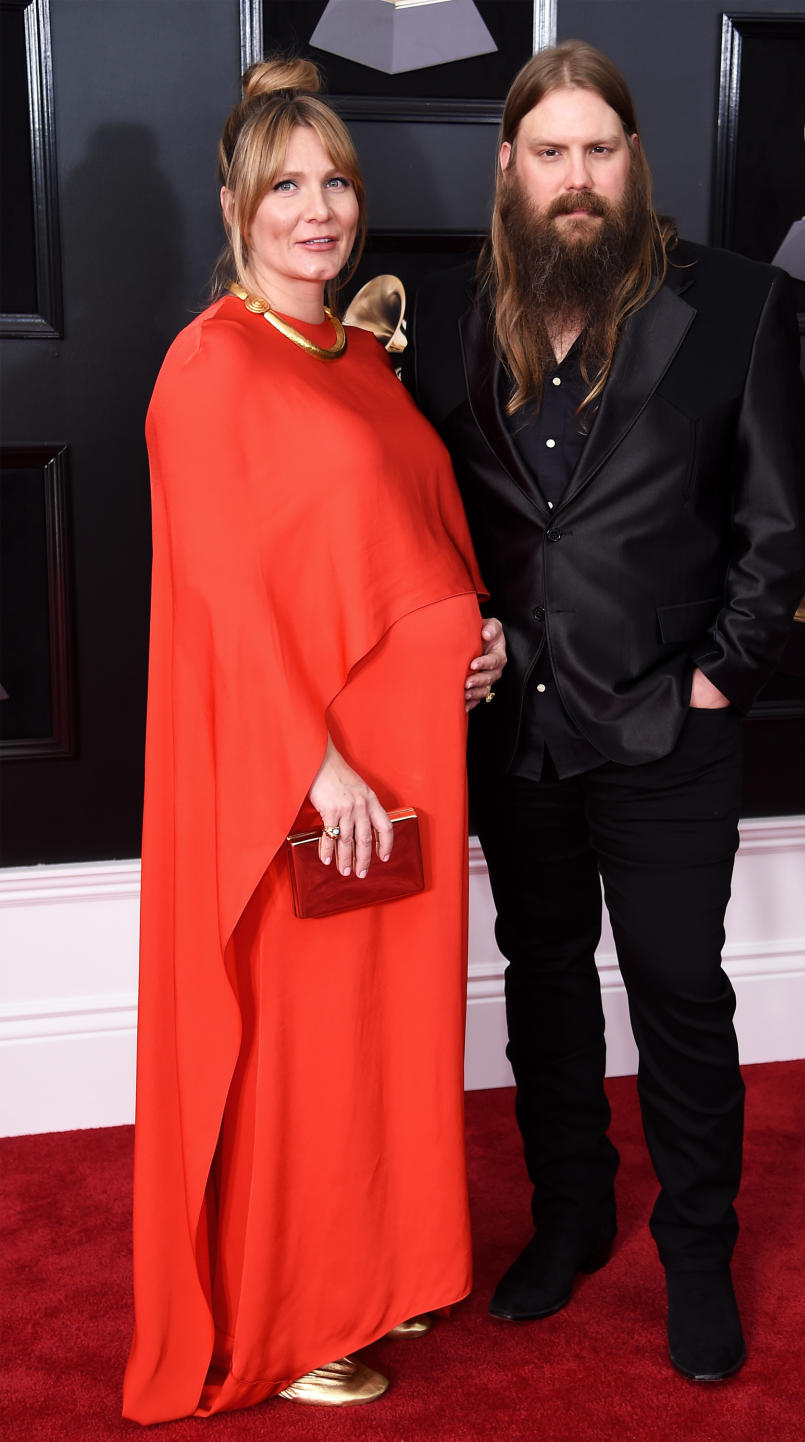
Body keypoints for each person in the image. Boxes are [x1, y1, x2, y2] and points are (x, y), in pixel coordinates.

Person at [409, 40, 805, 1382]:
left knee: (681, 993)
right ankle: (572, 1216)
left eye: (600, 149)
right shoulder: (454, 318)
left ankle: (699, 1254)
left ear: (633, 162)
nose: (577, 177)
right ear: (508, 169)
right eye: (550, 151)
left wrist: (715, 680)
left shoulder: (738, 305)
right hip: (516, 729)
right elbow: (435, 528)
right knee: (541, 983)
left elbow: (772, 532)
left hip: (668, 729)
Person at [122, 59, 505, 1424]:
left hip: (410, 755)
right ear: (234, 204)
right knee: (302, 1040)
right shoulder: (210, 366)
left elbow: (398, 538)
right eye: (286, 183)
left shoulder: (359, 359)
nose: (318, 207)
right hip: (314, 777)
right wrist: (315, 760)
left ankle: (382, 1262)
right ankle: (291, 1315)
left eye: (336, 180)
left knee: (388, 1033)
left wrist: (475, 633)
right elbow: (223, 591)